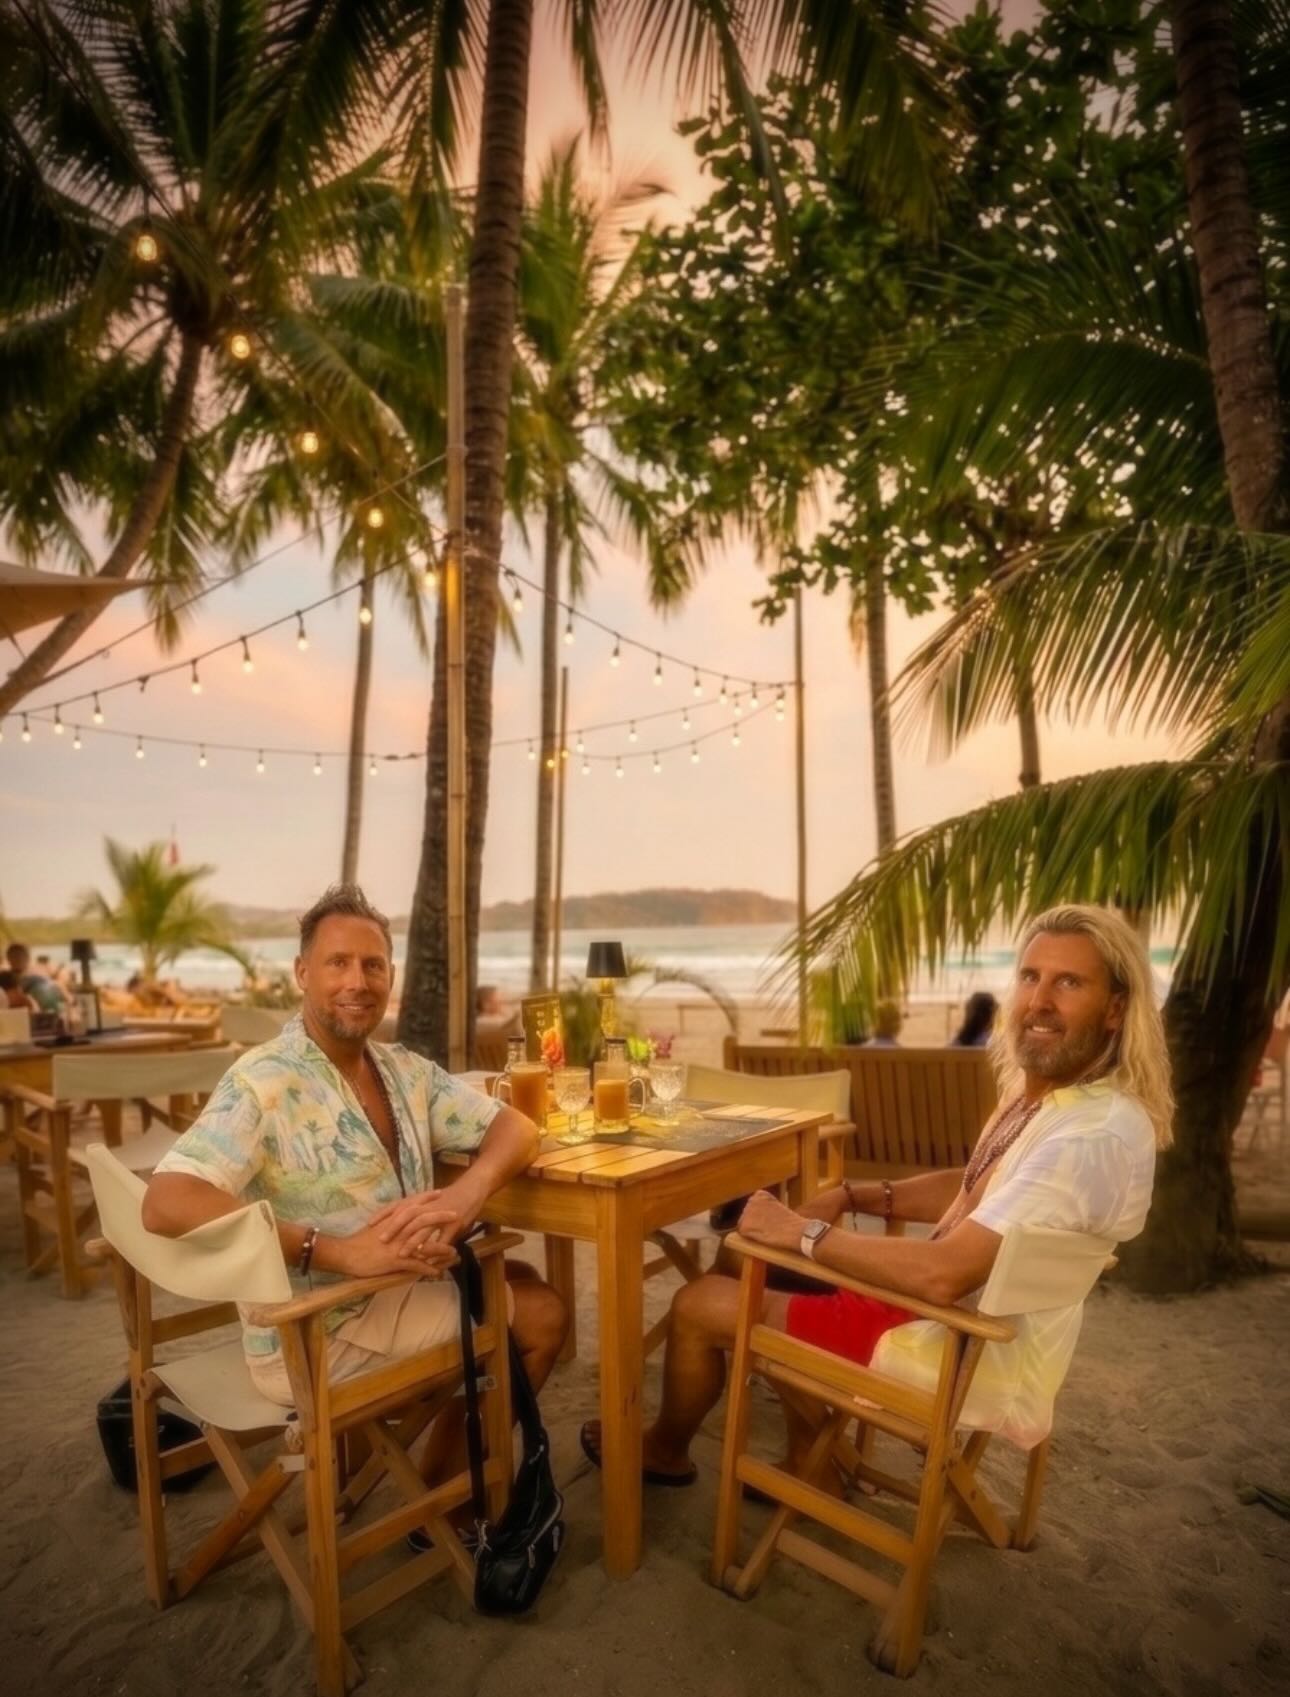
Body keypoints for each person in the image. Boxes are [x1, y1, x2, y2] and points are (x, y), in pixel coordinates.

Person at [580, 903, 1171, 1482]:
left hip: (939, 1342)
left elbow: (945, 1274)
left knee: (700, 1303)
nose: (1039, 1001)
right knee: (745, 1258)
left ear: (1116, 1009)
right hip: (944, 1318)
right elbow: (973, 1186)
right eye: (1030, 977)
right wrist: (851, 1196)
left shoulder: (1089, 1137)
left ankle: (663, 1449)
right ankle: (811, 1462)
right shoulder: (1064, 1104)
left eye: (1068, 983)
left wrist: (802, 1232)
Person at [143, 884, 568, 1450]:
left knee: (522, 1280)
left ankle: (440, 1479)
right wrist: (339, 1252)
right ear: (302, 972)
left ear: (390, 977)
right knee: (542, 1315)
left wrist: (467, 1195)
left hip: (394, 1294)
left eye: (373, 965)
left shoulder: (401, 1070)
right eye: (337, 963)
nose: (357, 982)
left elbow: (518, 1127)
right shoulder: (264, 1079)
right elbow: (166, 1201)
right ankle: (452, 1496)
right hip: (314, 1330)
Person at [4, 942, 65, 1014]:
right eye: (15, 956)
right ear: (9, 958)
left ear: (28, 958)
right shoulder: (4, 978)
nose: (18, 959)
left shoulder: (37, 979)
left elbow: (57, 996)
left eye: (21, 956)